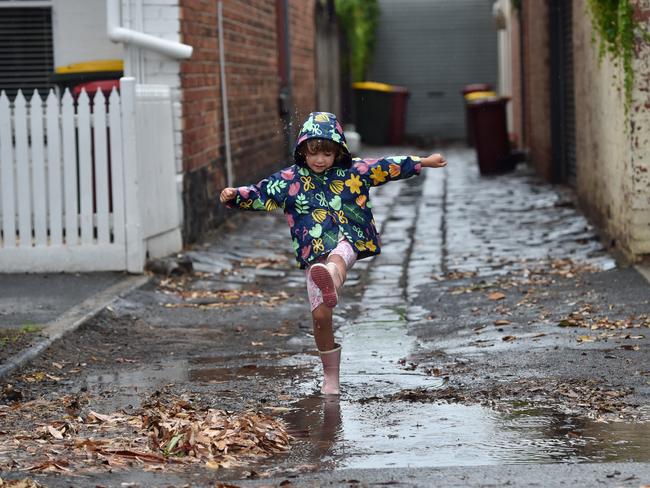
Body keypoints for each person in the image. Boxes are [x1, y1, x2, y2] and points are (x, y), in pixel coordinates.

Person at [220, 112, 446, 395]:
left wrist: (422, 162)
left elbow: (385, 166)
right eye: (314, 153)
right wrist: (235, 195)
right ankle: (330, 376)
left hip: (348, 237)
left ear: (338, 151)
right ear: (302, 149)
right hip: (313, 251)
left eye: (327, 153)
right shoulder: (290, 180)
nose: (320, 160)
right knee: (321, 316)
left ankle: (332, 277)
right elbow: (262, 193)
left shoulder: (353, 171)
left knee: (337, 258)